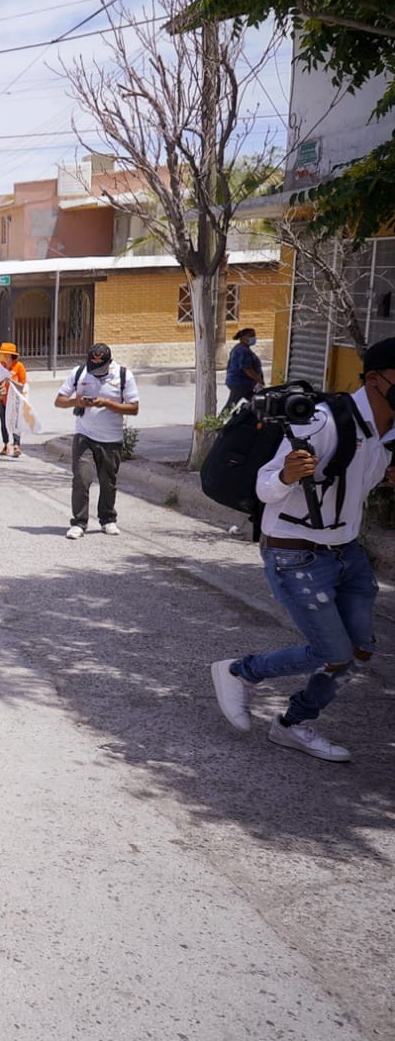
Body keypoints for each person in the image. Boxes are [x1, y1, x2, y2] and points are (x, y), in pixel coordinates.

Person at [210, 338, 395, 763]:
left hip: (346, 553)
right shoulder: (324, 421)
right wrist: (288, 475)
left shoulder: (387, 432)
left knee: (358, 650)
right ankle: (239, 671)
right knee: (333, 652)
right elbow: (265, 485)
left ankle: (292, 724)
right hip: (296, 554)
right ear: (374, 379)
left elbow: (360, 483)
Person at [55, 343, 140, 540]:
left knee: (108, 481)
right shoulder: (79, 373)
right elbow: (59, 400)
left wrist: (107, 403)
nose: (96, 372)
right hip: (84, 435)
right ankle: (79, 522)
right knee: (81, 478)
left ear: (110, 363)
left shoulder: (124, 375)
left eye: (100, 368)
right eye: (93, 368)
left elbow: (134, 408)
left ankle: (107, 519)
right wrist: (76, 402)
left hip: (111, 439)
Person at [0, 342, 28, 457]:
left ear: (12, 356)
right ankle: (6, 444)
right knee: (4, 422)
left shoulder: (19, 366)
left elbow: (23, 385)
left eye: (6, 354)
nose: (3, 356)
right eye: (2, 354)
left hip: (15, 399)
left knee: (15, 422)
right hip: (1, 399)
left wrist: (10, 380)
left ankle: (16, 445)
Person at [225, 327, 265, 410]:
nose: (253, 338)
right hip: (240, 384)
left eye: (254, 335)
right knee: (230, 405)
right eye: (251, 336)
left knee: (258, 402)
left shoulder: (241, 348)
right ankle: (220, 419)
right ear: (243, 338)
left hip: (245, 384)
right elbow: (247, 369)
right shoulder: (243, 351)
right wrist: (259, 380)